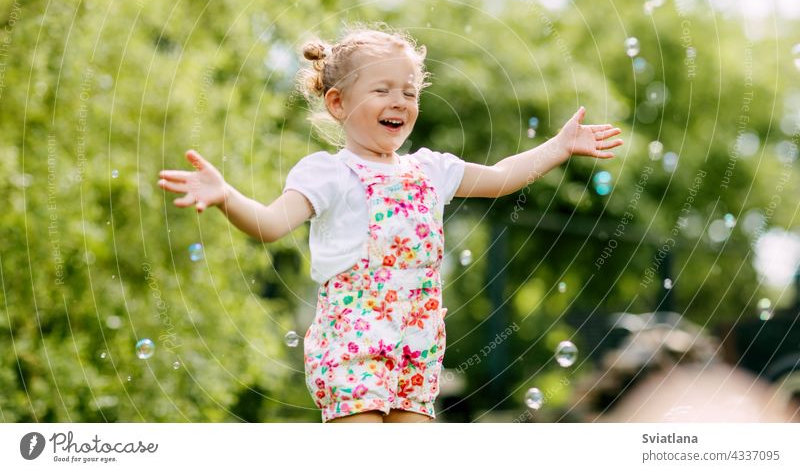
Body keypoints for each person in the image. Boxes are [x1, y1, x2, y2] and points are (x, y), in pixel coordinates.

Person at [157, 24, 623, 423]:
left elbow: (501, 178)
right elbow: (269, 224)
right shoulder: (329, 173)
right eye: (381, 90)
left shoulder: (430, 169)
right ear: (338, 103)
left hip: (417, 345)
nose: (398, 100)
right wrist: (226, 196)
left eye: (409, 91)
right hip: (351, 346)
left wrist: (558, 147)